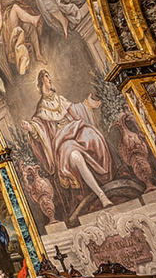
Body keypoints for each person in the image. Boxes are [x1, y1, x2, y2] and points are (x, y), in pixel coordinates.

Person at [22, 70, 113, 209]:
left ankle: (105, 173)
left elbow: (74, 109)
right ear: (41, 81)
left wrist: (88, 104)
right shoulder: (41, 108)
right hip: (62, 140)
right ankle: (101, 195)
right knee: (75, 156)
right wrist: (31, 128)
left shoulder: (58, 98)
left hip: (75, 129)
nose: (49, 79)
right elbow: (40, 128)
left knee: (92, 136)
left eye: (49, 76)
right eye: (46, 77)